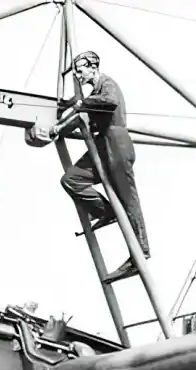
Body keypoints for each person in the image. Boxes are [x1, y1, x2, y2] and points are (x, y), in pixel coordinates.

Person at [49, 51, 150, 284]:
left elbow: (109, 102)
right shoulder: (93, 93)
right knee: (72, 179)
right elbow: (79, 118)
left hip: (117, 144)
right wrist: (60, 122)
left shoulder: (107, 83)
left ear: (93, 67)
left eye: (80, 68)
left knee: (129, 200)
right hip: (102, 146)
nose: (77, 73)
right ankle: (105, 211)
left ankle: (140, 253)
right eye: (75, 69)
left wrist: (79, 104)